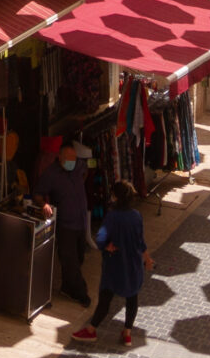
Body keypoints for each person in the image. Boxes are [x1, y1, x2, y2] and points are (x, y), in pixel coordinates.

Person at [74, 180, 150, 346]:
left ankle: (91, 330)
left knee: (106, 298)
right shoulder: (136, 216)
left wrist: (105, 246)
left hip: (116, 264)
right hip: (134, 264)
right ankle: (127, 333)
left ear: (116, 197)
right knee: (132, 298)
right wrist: (147, 258)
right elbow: (140, 241)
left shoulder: (112, 217)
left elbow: (101, 238)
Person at [32, 141, 93, 303]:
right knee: (70, 260)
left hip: (80, 222)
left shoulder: (78, 167)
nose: (72, 162)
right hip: (66, 225)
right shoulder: (51, 174)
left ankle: (67, 288)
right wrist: (44, 204)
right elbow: (38, 194)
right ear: (60, 158)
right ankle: (81, 293)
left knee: (78, 257)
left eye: (74, 159)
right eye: (69, 159)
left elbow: (85, 170)